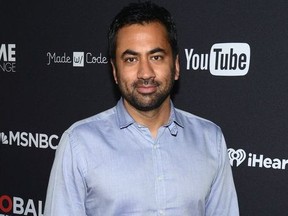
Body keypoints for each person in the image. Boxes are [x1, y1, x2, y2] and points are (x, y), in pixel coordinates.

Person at [44, 2, 239, 215]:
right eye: (131, 59)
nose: (145, 73)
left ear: (176, 66)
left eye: (156, 57)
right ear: (115, 71)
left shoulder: (210, 140)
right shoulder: (79, 144)